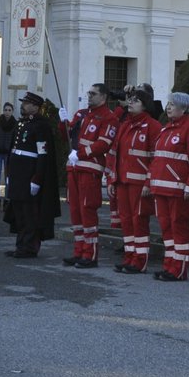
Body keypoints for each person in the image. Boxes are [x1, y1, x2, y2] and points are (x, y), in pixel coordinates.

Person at [63, 83, 119, 268]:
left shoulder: (108, 118)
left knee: (87, 211)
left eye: (93, 94)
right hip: (74, 168)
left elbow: (103, 144)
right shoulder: (82, 114)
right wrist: (62, 122)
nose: (89, 96)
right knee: (75, 211)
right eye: (89, 93)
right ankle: (78, 251)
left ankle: (90, 254)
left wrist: (81, 153)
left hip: (90, 169)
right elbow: (69, 134)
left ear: (103, 97)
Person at [149, 92, 189, 282]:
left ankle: (179, 269)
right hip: (161, 188)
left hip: (177, 189)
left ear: (184, 108)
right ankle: (168, 265)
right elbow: (157, 160)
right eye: (168, 104)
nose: (168, 107)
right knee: (166, 228)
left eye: (173, 104)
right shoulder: (166, 129)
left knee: (178, 228)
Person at [111, 87, 161, 274]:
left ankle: (140, 261)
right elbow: (115, 154)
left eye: (135, 101)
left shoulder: (153, 126)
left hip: (140, 184)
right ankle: (129, 257)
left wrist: (149, 182)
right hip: (123, 181)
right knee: (126, 220)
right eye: (130, 100)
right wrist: (112, 179)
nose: (130, 103)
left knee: (138, 220)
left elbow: (156, 158)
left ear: (145, 106)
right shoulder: (125, 124)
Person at [3, 91, 57, 258]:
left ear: (35, 107)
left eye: (26, 103)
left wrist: (37, 178)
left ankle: (30, 247)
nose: (23, 106)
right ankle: (21, 245)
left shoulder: (41, 126)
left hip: (29, 175)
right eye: (23, 103)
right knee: (19, 213)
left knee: (29, 214)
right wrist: (9, 173)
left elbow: (43, 155)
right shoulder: (22, 124)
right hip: (18, 175)